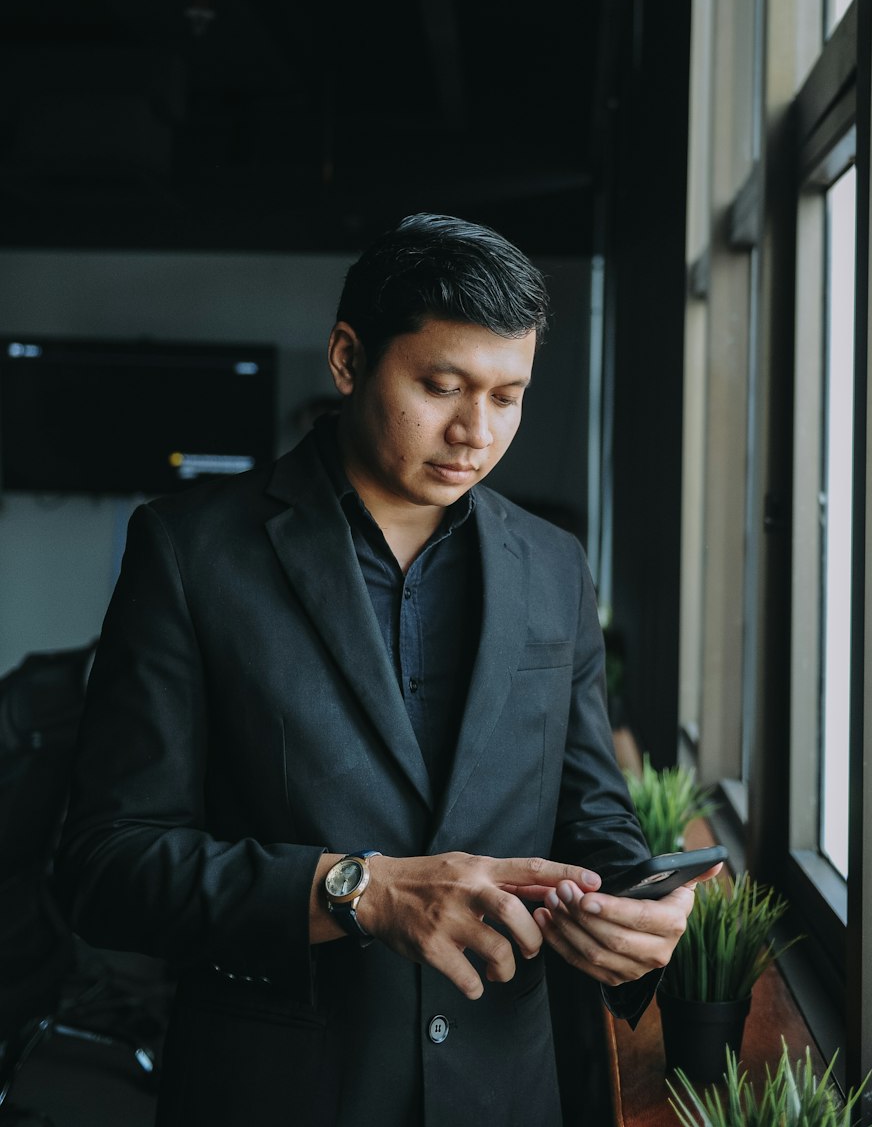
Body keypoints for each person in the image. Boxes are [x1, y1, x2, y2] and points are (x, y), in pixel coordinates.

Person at [54, 213, 719, 1127]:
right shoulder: (189, 550)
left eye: (507, 395)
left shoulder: (553, 565)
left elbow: (588, 811)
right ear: (347, 357)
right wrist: (358, 889)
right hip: (279, 1092)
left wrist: (627, 915)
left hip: (506, 1091)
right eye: (441, 385)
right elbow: (105, 866)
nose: (474, 432)